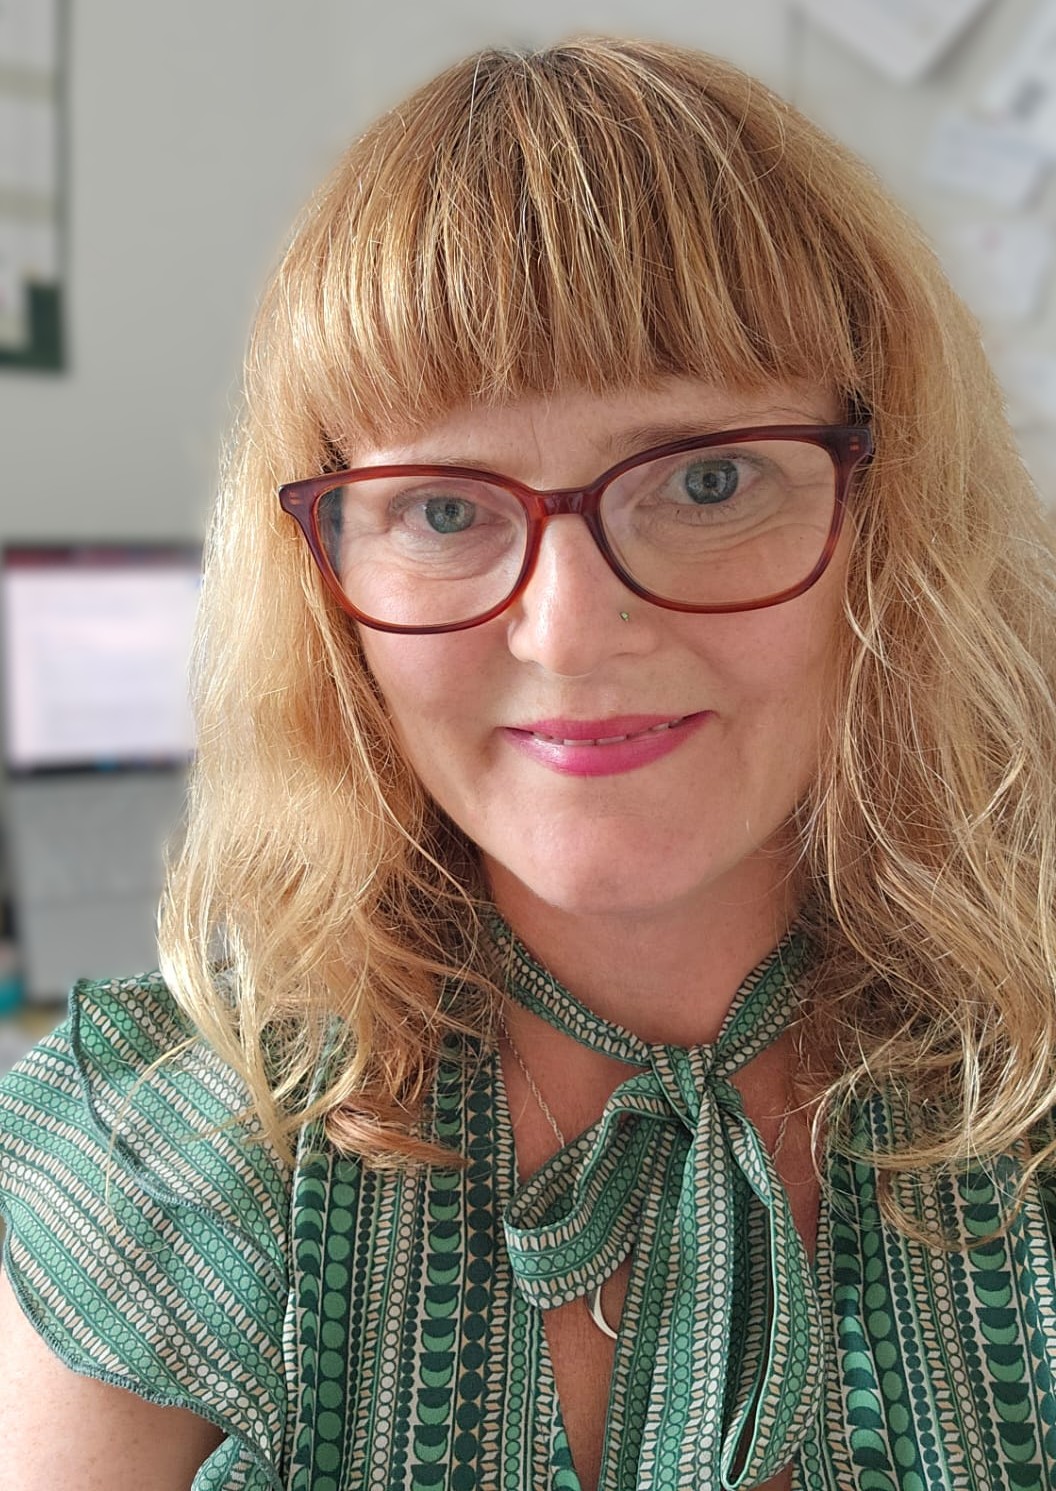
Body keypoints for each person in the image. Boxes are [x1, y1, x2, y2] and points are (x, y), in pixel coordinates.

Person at [1, 35, 1055, 1491]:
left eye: (706, 478)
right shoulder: (168, 1163)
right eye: (440, 511)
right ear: (322, 579)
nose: (567, 631)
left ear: (892, 518)